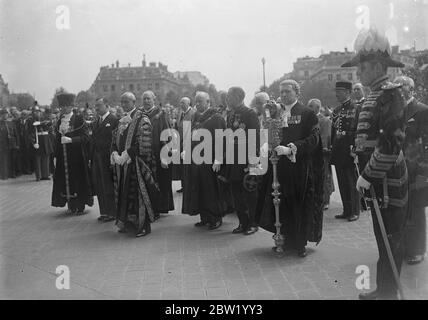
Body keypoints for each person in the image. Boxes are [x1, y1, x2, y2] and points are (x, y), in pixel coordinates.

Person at [342, 27, 408, 300]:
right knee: (383, 240)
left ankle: (389, 294)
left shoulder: (390, 95)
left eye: (363, 67)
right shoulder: (375, 93)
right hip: (378, 182)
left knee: (391, 239)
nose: (358, 73)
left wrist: (368, 175)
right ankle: (384, 290)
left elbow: (391, 144)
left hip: (387, 180)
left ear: (379, 66)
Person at [256, 80, 324, 257]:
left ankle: (299, 243)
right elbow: (270, 133)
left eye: (287, 91)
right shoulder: (276, 113)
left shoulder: (307, 113)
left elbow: (314, 139)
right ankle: (284, 239)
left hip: (298, 167)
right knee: (281, 203)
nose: (283, 95)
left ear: (296, 93)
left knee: (298, 204)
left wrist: (292, 148)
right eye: (281, 92)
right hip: (279, 166)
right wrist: (266, 145)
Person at [111, 92, 157, 237]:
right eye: (122, 102)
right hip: (123, 165)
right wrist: (114, 153)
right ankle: (128, 223)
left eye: (127, 102)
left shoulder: (142, 119)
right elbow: (114, 139)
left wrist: (127, 154)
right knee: (125, 194)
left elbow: (144, 142)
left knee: (139, 196)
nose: (124, 104)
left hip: (137, 164)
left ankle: (143, 226)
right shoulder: (121, 120)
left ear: (134, 101)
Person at [394, 76, 428, 265]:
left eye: (401, 87)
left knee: (415, 210)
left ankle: (417, 250)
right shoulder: (395, 111)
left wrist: (424, 172)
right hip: (398, 170)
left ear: (411, 89)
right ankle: (405, 247)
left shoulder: (422, 110)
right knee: (401, 210)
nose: (397, 91)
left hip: (416, 170)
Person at [182, 91, 226, 229]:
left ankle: (215, 217)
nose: (197, 104)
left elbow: (221, 139)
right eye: (196, 101)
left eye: (200, 101)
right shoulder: (196, 117)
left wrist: (219, 159)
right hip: (197, 159)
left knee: (211, 190)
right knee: (199, 189)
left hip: (210, 159)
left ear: (208, 102)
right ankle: (204, 217)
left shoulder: (216, 117)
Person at [223, 87, 260, 235]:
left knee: (250, 192)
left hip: (246, 159)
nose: (227, 100)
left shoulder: (249, 113)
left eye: (229, 97)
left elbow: (255, 137)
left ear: (238, 97)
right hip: (233, 158)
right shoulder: (230, 114)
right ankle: (242, 222)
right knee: (236, 193)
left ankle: (253, 223)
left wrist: (252, 160)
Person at [51, 93, 94, 215]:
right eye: (62, 106)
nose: (63, 109)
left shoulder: (79, 119)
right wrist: (55, 155)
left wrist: (71, 140)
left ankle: (80, 205)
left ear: (71, 106)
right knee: (65, 179)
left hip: (77, 156)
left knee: (77, 180)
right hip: (63, 156)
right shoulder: (60, 120)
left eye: (66, 106)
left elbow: (86, 138)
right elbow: (57, 140)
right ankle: (71, 204)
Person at [140, 90, 174, 219]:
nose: (146, 101)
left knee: (159, 181)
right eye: (144, 99)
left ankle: (158, 208)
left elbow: (167, 134)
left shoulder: (161, 113)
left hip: (158, 153)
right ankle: (149, 207)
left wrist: (165, 156)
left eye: (149, 99)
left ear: (154, 99)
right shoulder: (140, 114)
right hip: (144, 155)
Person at [331, 81, 361, 222]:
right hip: (338, 150)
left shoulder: (356, 108)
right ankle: (346, 209)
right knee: (342, 182)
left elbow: (358, 131)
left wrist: (355, 149)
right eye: (336, 90)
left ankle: (355, 210)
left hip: (349, 149)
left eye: (340, 91)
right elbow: (333, 131)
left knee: (351, 181)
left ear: (348, 92)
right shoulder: (336, 110)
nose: (337, 93)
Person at [91, 97, 118, 222]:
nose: (96, 108)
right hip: (97, 158)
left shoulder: (113, 120)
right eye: (96, 106)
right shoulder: (96, 122)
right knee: (100, 186)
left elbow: (115, 140)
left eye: (99, 105)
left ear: (107, 106)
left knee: (108, 185)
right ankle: (104, 211)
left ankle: (112, 212)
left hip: (108, 158)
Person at [308, 98, 334, 210]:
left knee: (325, 176)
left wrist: (321, 149)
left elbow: (325, 137)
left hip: (322, 153)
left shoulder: (324, 120)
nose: (308, 109)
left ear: (318, 107)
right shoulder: (308, 119)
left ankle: (325, 200)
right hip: (310, 153)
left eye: (310, 106)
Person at [176, 97, 196, 193]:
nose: (181, 105)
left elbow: (193, 130)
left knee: (188, 166)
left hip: (188, 143)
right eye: (180, 103)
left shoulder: (193, 113)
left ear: (188, 103)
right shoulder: (181, 113)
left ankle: (189, 186)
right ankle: (184, 186)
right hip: (180, 142)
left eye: (183, 103)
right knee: (181, 166)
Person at [30, 105, 54, 181]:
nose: (36, 113)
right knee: (38, 158)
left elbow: (50, 124)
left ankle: (45, 175)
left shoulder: (44, 118)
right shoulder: (30, 120)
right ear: (32, 112)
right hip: (37, 139)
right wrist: (33, 142)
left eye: (38, 112)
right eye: (34, 112)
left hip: (45, 138)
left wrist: (43, 122)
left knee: (46, 157)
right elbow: (29, 133)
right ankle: (38, 176)